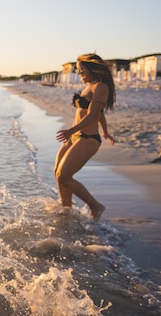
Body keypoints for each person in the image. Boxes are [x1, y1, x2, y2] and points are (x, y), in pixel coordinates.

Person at [54, 53, 116, 222]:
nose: (80, 73)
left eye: (82, 70)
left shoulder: (101, 87)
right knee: (58, 173)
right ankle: (66, 210)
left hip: (88, 138)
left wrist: (69, 130)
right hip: (75, 136)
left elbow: (92, 115)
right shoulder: (89, 85)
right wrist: (106, 131)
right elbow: (100, 113)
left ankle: (96, 206)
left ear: (93, 69)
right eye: (79, 70)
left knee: (64, 175)